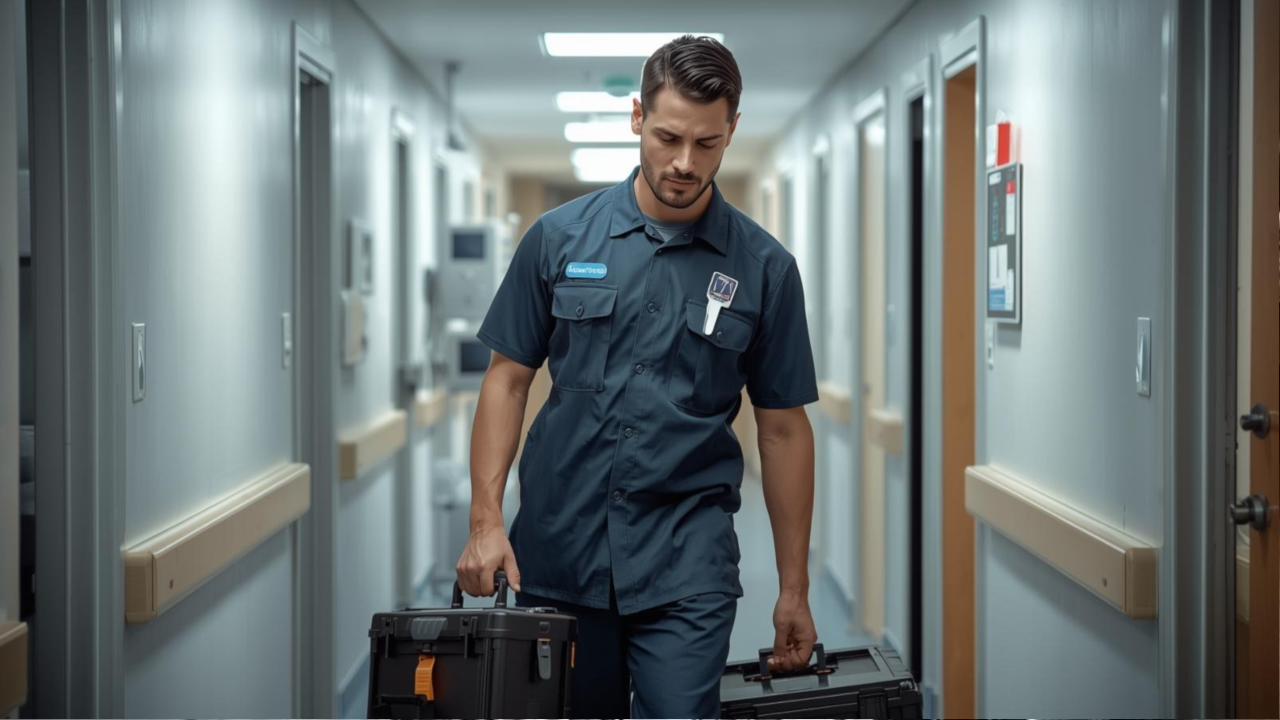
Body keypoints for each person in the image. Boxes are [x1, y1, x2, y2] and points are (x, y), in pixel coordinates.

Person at [456, 35, 819, 719]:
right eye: (667, 137)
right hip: (559, 554)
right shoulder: (559, 239)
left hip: (687, 560)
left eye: (708, 144)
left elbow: (782, 430)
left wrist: (793, 586)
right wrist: (485, 522)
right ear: (636, 119)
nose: (684, 162)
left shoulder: (765, 269)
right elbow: (506, 380)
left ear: (732, 130)